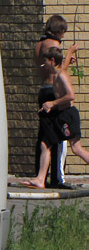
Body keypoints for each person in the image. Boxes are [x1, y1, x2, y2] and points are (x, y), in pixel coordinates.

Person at [24, 46, 89, 188]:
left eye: (46, 61)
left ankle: (42, 179)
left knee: (76, 148)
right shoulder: (58, 73)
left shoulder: (61, 75)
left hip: (68, 116)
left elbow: (71, 95)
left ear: (52, 60)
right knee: (45, 143)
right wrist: (49, 106)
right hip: (61, 115)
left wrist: (52, 103)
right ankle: (40, 179)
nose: (44, 65)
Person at [34, 15, 78, 188]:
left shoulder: (39, 44)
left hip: (42, 90)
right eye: (62, 32)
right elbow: (59, 72)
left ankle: (40, 175)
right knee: (59, 135)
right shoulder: (54, 45)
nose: (63, 36)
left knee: (44, 136)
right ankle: (58, 178)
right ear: (58, 30)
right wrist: (69, 54)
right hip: (53, 92)